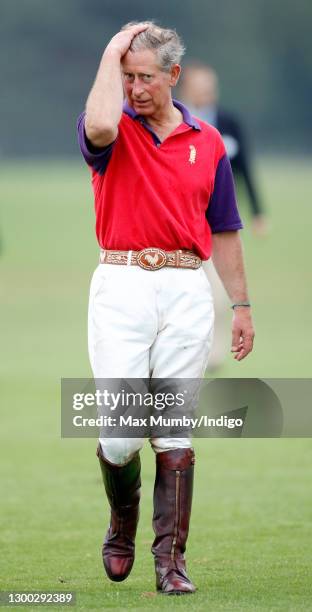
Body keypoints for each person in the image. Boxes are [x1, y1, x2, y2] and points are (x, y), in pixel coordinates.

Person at [77, 21, 255, 595]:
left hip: (185, 286)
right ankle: (122, 519)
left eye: (145, 77)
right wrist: (111, 51)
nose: (134, 88)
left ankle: (170, 563)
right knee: (122, 432)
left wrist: (242, 305)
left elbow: (225, 230)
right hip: (122, 283)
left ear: (173, 76)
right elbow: (101, 122)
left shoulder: (207, 142)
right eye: (127, 76)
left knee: (175, 430)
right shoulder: (110, 127)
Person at [180, 63, 268, 237]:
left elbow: (245, 168)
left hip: (223, 209)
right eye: (200, 86)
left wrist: (257, 212)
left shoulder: (230, 123)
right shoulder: (175, 121)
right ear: (185, 89)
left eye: (210, 86)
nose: (207, 91)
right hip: (185, 210)